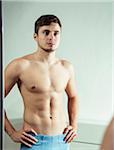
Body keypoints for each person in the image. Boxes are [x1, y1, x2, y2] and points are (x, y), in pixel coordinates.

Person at [4, 14, 78, 150]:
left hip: (62, 139)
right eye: (46, 32)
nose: (51, 37)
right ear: (35, 36)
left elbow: (73, 97)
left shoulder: (66, 67)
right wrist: (12, 133)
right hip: (34, 141)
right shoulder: (20, 65)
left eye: (56, 33)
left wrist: (74, 125)